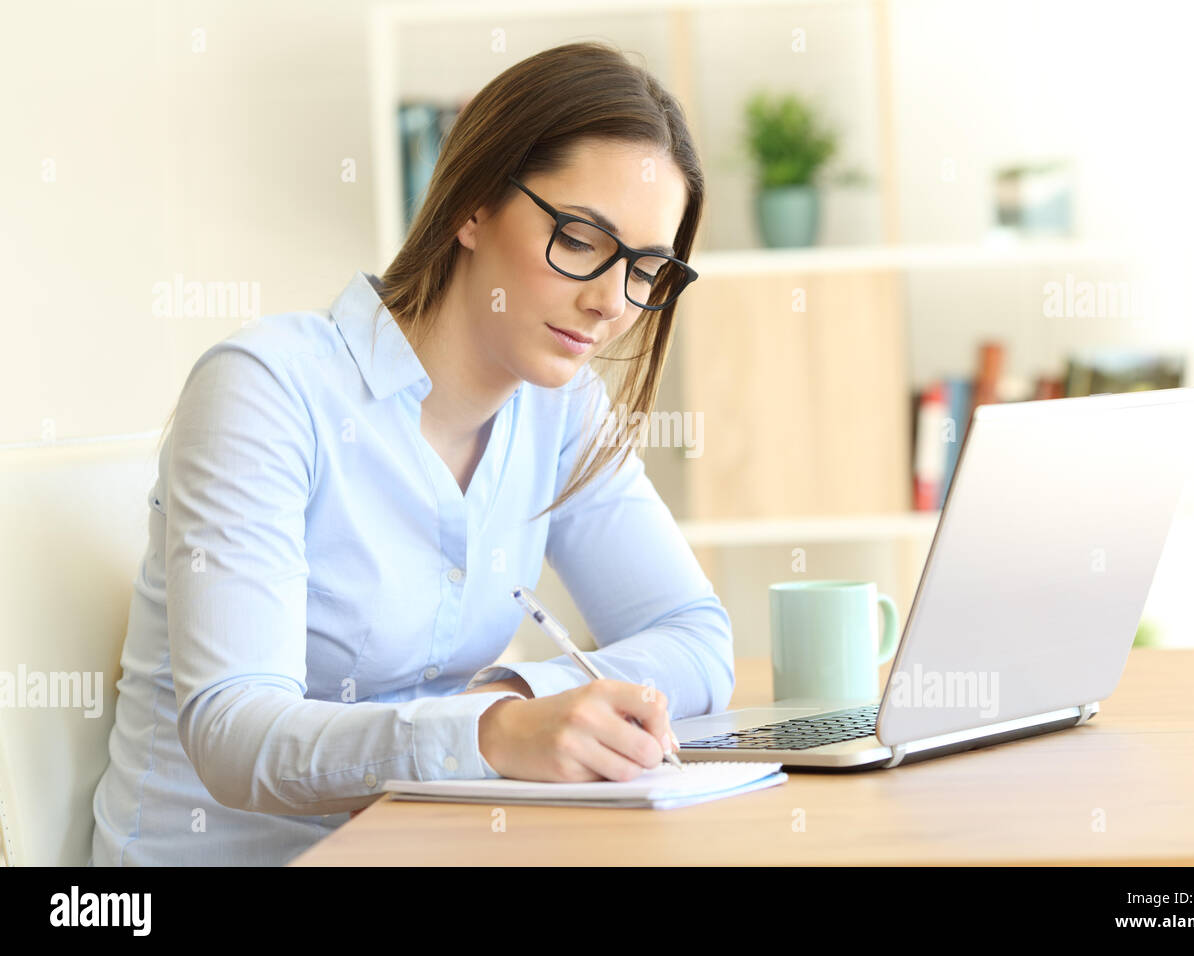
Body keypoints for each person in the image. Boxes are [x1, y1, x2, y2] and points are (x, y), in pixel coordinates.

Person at [90, 40, 734, 866]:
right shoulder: (268, 389)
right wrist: (492, 735)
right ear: (472, 206)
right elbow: (233, 733)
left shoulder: (560, 407)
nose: (611, 302)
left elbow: (694, 637)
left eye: (647, 269)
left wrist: (516, 696)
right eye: (580, 239)